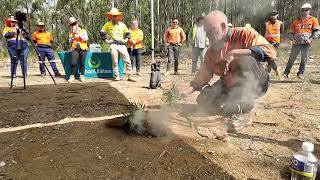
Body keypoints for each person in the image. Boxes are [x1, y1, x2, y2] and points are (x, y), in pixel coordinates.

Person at [181, 10, 276, 130]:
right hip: (230, 85)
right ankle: (233, 105)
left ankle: (244, 108)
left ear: (223, 27)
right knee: (204, 99)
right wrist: (189, 90)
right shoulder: (211, 51)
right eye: (206, 32)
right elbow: (205, 73)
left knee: (246, 59)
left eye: (211, 31)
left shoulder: (244, 34)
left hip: (256, 83)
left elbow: (270, 51)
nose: (208, 35)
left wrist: (234, 53)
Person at [283, 3, 320, 79]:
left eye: (306, 10)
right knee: (291, 58)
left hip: (306, 43)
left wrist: (311, 39)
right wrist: (293, 39)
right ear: (301, 11)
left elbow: (317, 31)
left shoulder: (313, 20)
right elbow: (291, 33)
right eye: (303, 10)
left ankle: (300, 73)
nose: (304, 12)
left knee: (304, 59)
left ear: (309, 11)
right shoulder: (296, 21)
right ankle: (286, 73)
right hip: (296, 43)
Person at [100, 8, 135, 81]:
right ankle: (116, 76)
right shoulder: (107, 24)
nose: (114, 17)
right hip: (113, 45)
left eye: (116, 16)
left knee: (127, 60)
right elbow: (102, 32)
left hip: (122, 45)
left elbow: (128, 33)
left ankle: (130, 76)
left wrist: (126, 39)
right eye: (113, 16)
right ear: (111, 16)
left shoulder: (122, 25)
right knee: (115, 61)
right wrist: (106, 40)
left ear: (118, 16)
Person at [68, 17, 89, 82]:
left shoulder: (83, 31)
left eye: (74, 24)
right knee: (73, 63)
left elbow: (86, 39)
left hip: (83, 48)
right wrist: (72, 37)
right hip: (75, 48)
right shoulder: (71, 33)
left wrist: (79, 34)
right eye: (72, 25)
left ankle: (82, 76)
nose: (73, 26)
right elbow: (70, 42)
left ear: (77, 24)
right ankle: (72, 76)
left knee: (82, 63)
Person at [264, 10, 283, 75]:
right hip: (267, 42)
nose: (273, 16)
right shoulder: (266, 23)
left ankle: (271, 70)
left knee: (270, 57)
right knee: (269, 57)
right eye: (272, 15)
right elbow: (264, 33)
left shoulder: (281, 23)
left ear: (277, 15)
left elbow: (281, 33)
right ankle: (273, 69)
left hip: (276, 42)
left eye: (274, 14)